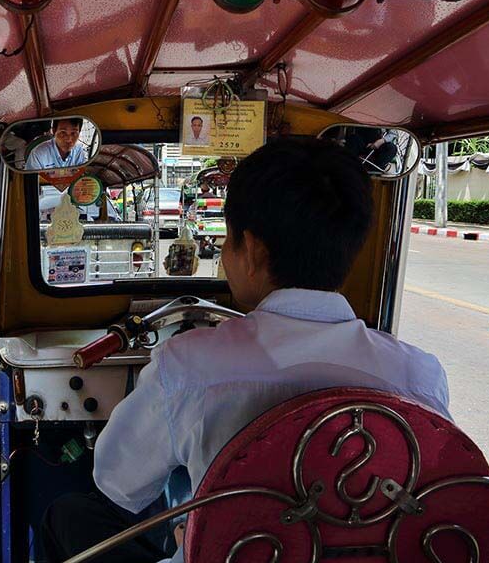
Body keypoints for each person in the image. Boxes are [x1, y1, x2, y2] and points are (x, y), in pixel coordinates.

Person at [42, 138, 449, 563]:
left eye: (228, 239)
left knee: (69, 515)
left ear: (251, 250)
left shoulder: (190, 366)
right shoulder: (419, 376)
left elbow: (116, 481)